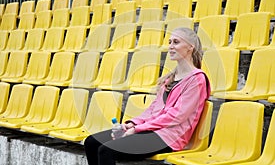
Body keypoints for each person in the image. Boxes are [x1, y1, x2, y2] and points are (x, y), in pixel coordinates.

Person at [84, 27, 211, 165]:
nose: (171, 46)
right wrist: (132, 124)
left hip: (170, 137)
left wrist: (137, 129)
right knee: (91, 142)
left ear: (190, 47)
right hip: (153, 130)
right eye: (169, 42)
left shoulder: (197, 79)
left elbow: (177, 115)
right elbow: (153, 110)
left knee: (106, 150)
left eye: (176, 42)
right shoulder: (170, 78)